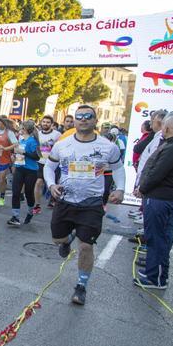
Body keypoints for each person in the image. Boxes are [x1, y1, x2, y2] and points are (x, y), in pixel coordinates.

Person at [44, 105, 125, 306]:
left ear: (95, 120)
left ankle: (81, 286)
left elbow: (118, 168)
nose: (83, 119)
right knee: (57, 239)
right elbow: (49, 166)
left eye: (88, 116)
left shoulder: (108, 147)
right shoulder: (62, 144)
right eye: (79, 116)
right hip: (65, 201)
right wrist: (51, 184)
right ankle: (67, 239)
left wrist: (121, 189)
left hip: (92, 203)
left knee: (86, 247)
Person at [134, 113, 173, 289]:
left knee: (157, 238)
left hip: (160, 197)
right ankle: (154, 272)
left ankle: (157, 277)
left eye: (163, 126)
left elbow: (157, 172)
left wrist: (142, 188)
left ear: (167, 128)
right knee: (157, 237)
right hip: (162, 197)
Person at [8, 120, 41, 226]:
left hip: (31, 171)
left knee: (28, 193)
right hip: (19, 168)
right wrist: (14, 156)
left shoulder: (32, 141)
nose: (19, 130)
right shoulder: (21, 141)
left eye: (21, 128)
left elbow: (37, 156)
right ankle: (15, 217)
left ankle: (30, 212)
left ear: (25, 129)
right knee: (16, 192)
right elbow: (20, 154)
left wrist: (24, 152)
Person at [34, 115, 61, 211]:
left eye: (48, 122)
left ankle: (53, 200)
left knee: (53, 183)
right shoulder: (37, 133)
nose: (45, 124)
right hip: (41, 162)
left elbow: (59, 149)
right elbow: (36, 147)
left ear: (52, 124)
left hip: (53, 163)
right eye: (44, 122)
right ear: (41, 123)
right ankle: (37, 205)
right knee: (38, 182)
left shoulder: (57, 135)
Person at [0, 117, 17, 206]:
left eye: (0, 124)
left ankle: (2, 198)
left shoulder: (9, 132)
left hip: (4, 159)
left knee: (1, 179)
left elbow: (16, 144)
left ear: (4, 124)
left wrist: (5, 148)